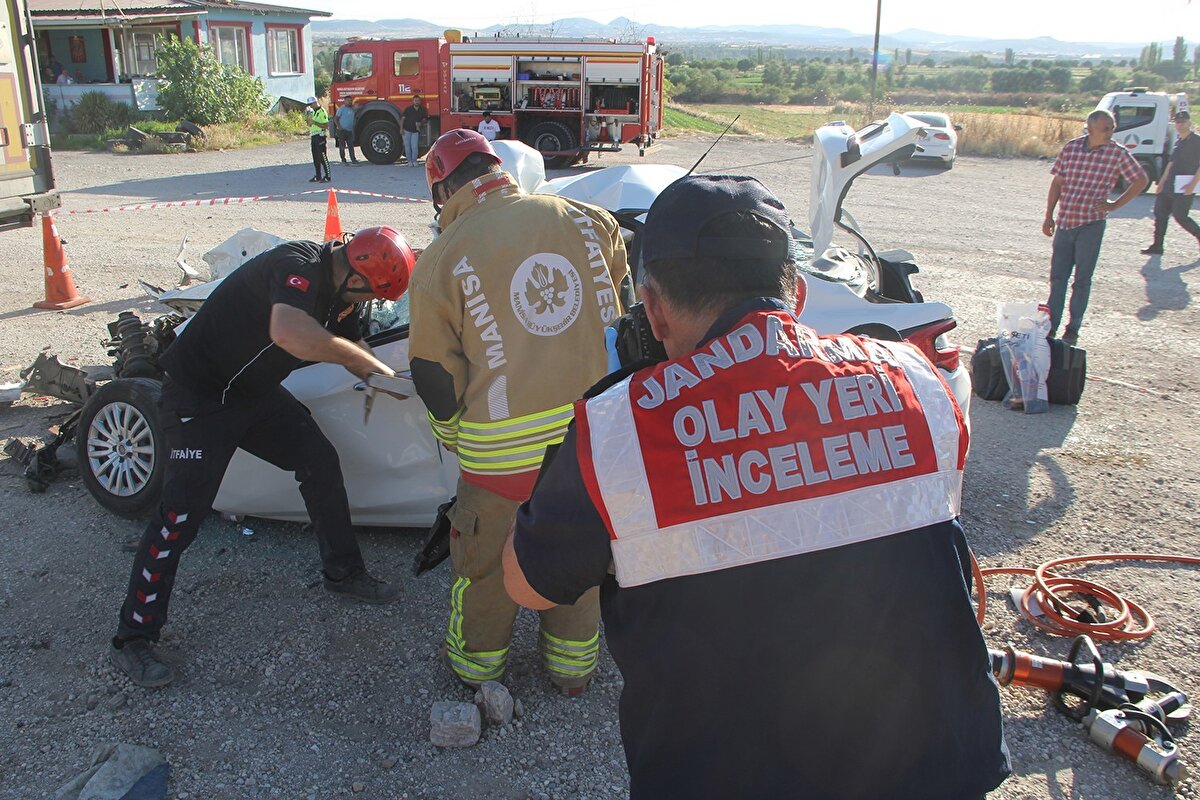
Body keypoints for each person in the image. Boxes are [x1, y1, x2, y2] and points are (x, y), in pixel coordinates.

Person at [503, 175, 1011, 800]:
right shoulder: (915, 376)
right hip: (938, 770)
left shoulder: (619, 428)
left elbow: (524, 584)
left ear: (653, 308)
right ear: (799, 293)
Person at [108, 227, 416, 688]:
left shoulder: (346, 296)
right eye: (371, 293)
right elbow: (289, 331)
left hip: (253, 395)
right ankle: (132, 637)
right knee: (178, 519)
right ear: (355, 275)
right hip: (199, 398)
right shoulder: (298, 264)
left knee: (318, 462)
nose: (368, 302)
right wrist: (357, 360)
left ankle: (344, 572)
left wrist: (386, 378)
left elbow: (356, 348)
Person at [408, 129, 630, 695]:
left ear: (443, 191)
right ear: (497, 169)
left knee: (484, 571)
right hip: (591, 449)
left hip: (499, 465)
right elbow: (620, 314)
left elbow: (435, 375)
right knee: (578, 562)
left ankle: (477, 673)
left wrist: (452, 434)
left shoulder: (441, 257)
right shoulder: (590, 220)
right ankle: (572, 672)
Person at [1043, 108, 1147, 345]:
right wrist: (1049, 216)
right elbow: (1057, 183)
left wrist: (1115, 205)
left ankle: (1073, 329)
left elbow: (1141, 180)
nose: (1110, 133)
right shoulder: (1071, 148)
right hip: (1065, 222)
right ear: (1090, 129)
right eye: (1105, 129)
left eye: (1112, 128)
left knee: (1082, 280)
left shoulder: (1117, 153)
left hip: (1091, 224)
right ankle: (1051, 326)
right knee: (1057, 279)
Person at [1141, 110, 1200, 256]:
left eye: (1183, 122)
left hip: (1184, 186)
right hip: (1169, 184)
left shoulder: (1196, 141)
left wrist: (1192, 185)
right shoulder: (1178, 141)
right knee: (1160, 214)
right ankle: (1157, 246)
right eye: (1177, 122)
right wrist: (1161, 182)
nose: (1180, 124)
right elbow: (1171, 163)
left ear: (1189, 122)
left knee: (1181, 217)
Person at [305, 96, 331, 182]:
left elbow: (326, 126)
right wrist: (308, 118)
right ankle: (318, 176)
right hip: (314, 135)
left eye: (311, 104)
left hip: (320, 136)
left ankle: (327, 176)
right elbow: (310, 124)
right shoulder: (313, 112)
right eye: (309, 105)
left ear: (315, 102)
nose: (310, 106)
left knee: (323, 157)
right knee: (315, 157)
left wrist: (315, 122)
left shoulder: (322, 111)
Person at [400, 94, 428, 168]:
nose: (417, 102)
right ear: (413, 101)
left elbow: (425, 119)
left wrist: (421, 122)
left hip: (415, 131)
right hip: (406, 130)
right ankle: (409, 161)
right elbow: (402, 119)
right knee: (407, 147)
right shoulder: (408, 109)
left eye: (418, 100)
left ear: (420, 101)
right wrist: (401, 129)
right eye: (415, 100)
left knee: (414, 147)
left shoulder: (422, 109)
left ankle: (414, 161)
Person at [334, 96, 359, 165]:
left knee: (351, 146)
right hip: (342, 131)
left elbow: (359, 109)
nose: (350, 102)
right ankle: (343, 160)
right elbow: (336, 118)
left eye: (351, 100)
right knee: (342, 146)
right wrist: (339, 127)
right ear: (344, 101)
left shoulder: (352, 109)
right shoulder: (341, 109)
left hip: (350, 131)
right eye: (348, 100)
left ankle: (353, 160)